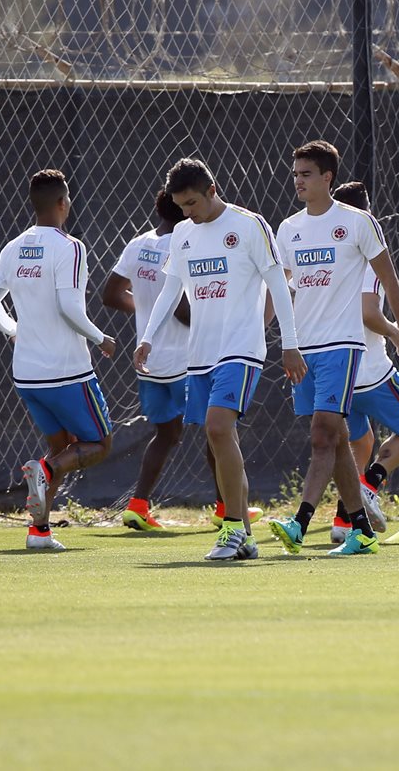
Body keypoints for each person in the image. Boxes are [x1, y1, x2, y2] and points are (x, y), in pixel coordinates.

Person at [133, 158, 305, 561]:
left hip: (241, 348)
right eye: (181, 206)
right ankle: (244, 533)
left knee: (218, 427)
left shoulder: (249, 225)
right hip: (201, 354)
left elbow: (278, 283)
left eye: (192, 203)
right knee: (219, 438)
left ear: (212, 189)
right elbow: (169, 289)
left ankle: (229, 526)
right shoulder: (182, 235)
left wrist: (290, 343)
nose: (187, 212)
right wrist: (147, 338)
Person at [268, 143, 399, 557]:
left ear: (327, 178)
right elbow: (283, 292)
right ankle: (360, 527)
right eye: (295, 173)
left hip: (342, 346)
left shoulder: (357, 222)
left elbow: (391, 282)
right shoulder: (288, 228)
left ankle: (298, 524)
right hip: (304, 348)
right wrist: (281, 343)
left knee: (323, 435)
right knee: (333, 440)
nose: (298, 180)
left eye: (306, 173)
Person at [0, 169, 115, 551]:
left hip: (27, 376)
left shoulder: (13, 247)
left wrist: (11, 329)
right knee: (99, 444)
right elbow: (69, 307)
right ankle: (44, 471)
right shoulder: (69, 246)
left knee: (61, 449)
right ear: (63, 203)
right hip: (68, 371)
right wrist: (100, 338)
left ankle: (38, 532)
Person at [330, 181, 399, 544]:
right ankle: (370, 486)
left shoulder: (326, 251)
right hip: (370, 369)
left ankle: (343, 520)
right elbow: (369, 311)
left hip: (337, 371)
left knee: (358, 442)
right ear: (367, 214)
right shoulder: (365, 252)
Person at [103, 187, 196, 532]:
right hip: (186, 361)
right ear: (186, 209)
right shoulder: (184, 244)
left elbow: (110, 294)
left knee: (167, 434)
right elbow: (184, 310)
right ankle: (225, 508)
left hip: (149, 364)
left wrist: (146, 312)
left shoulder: (138, 244)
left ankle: (138, 505)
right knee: (220, 430)